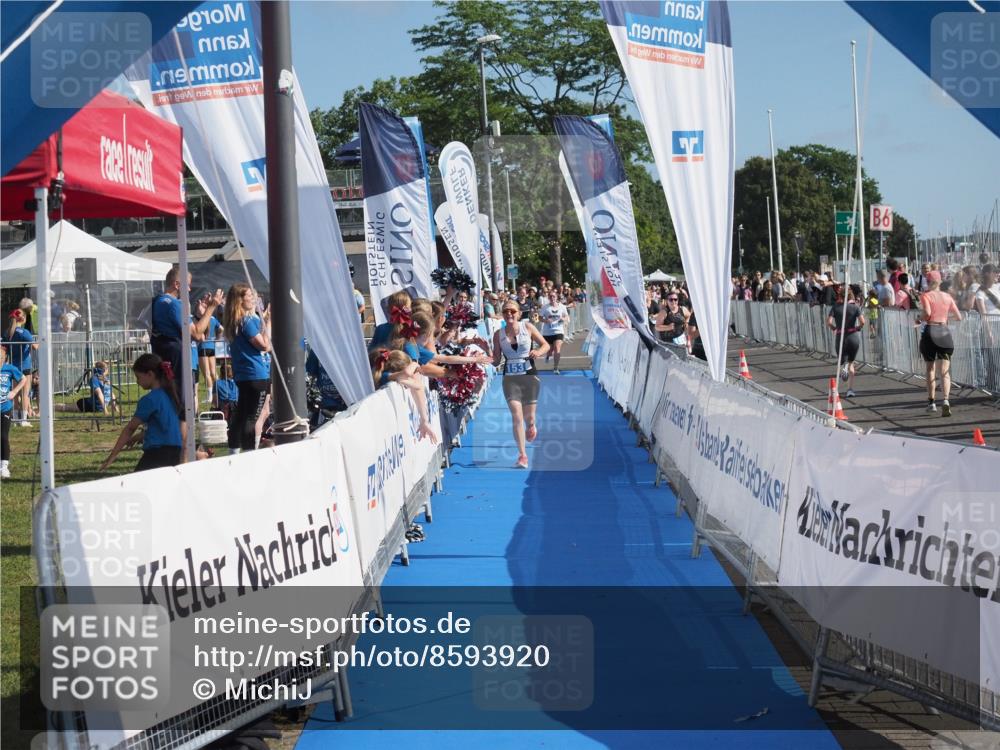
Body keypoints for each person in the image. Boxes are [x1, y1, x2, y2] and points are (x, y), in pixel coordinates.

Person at [100, 354, 186, 472]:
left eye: (138, 377)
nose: (137, 382)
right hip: (175, 452)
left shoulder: (150, 399)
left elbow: (130, 428)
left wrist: (112, 456)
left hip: (157, 455)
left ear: (150, 374)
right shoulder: (171, 395)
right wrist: (140, 436)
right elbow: (165, 426)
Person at [492, 300, 549, 469]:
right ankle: (522, 455)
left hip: (529, 376)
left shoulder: (528, 327)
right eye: (506, 312)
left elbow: (545, 344)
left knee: (528, 418)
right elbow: (496, 361)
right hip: (510, 378)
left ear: (519, 313)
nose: (509, 314)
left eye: (512, 311)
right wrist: (484, 351)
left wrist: (537, 351)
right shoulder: (498, 334)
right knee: (516, 416)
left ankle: (532, 425)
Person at [150, 267, 222, 390]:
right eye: (187, 285)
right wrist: (211, 307)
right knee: (181, 399)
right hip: (176, 362)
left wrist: (200, 316)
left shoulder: (158, 301)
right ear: (177, 284)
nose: (189, 289)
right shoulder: (175, 304)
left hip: (162, 356)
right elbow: (197, 334)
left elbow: (199, 334)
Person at [224, 283, 271, 454]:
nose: (253, 299)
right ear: (239, 300)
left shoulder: (233, 321)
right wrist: (269, 322)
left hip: (243, 375)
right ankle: (250, 454)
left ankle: (234, 452)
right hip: (256, 374)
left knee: (241, 416)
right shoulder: (247, 320)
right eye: (249, 296)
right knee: (251, 417)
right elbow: (264, 345)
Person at [918, 270, 962, 416]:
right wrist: (945, 316)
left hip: (930, 331)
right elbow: (959, 316)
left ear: (928, 281)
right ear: (940, 282)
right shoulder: (947, 296)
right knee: (944, 371)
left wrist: (919, 317)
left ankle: (931, 402)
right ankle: (946, 400)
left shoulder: (925, 295)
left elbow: (928, 314)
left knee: (930, 369)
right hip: (944, 331)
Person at [828, 289, 866, 398]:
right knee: (852, 363)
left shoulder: (835, 307)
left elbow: (829, 322)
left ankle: (843, 368)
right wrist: (857, 327)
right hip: (853, 336)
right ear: (851, 296)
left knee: (842, 361)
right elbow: (863, 322)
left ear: (840, 295)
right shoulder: (855, 307)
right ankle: (850, 389)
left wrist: (834, 328)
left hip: (841, 336)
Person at [0, 345, 28, 479]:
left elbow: (23, 379)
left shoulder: (9, 368)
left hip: (5, 408)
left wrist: (14, 391)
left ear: (4, 357)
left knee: (3, 436)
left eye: (0, 356)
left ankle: (4, 466)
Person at [5, 308, 37, 426]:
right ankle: (23, 420)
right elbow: (35, 347)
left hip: (12, 366)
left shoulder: (8, 332)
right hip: (24, 366)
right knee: (25, 393)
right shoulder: (24, 333)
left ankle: (15, 419)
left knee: (15, 393)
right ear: (22, 318)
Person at [974, 264, 1000, 392]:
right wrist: (989, 331)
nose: (997, 274)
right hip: (991, 325)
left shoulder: (999, 287)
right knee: (993, 359)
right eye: (995, 272)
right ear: (987, 274)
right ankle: (994, 387)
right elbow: (983, 314)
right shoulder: (980, 292)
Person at [197, 297, 222, 405]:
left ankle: (210, 396)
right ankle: (220, 392)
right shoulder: (213, 318)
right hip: (212, 346)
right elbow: (221, 329)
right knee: (213, 372)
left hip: (203, 347)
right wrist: (217, 338)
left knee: (207, 373)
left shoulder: (203, 318)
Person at [540, 290, 569, 374]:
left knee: (557, 348)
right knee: (549, 350)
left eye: (554, 296)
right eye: (550, 296)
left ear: (556, 297)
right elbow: (540, 318)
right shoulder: (545, 307)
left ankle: (556, 368)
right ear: (548, 298)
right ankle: (548, 355)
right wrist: (546, 320)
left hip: (558, 331)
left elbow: (566, 316)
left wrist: (563, 319)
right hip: (547, 332)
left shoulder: (562, 307)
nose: (552, 298)